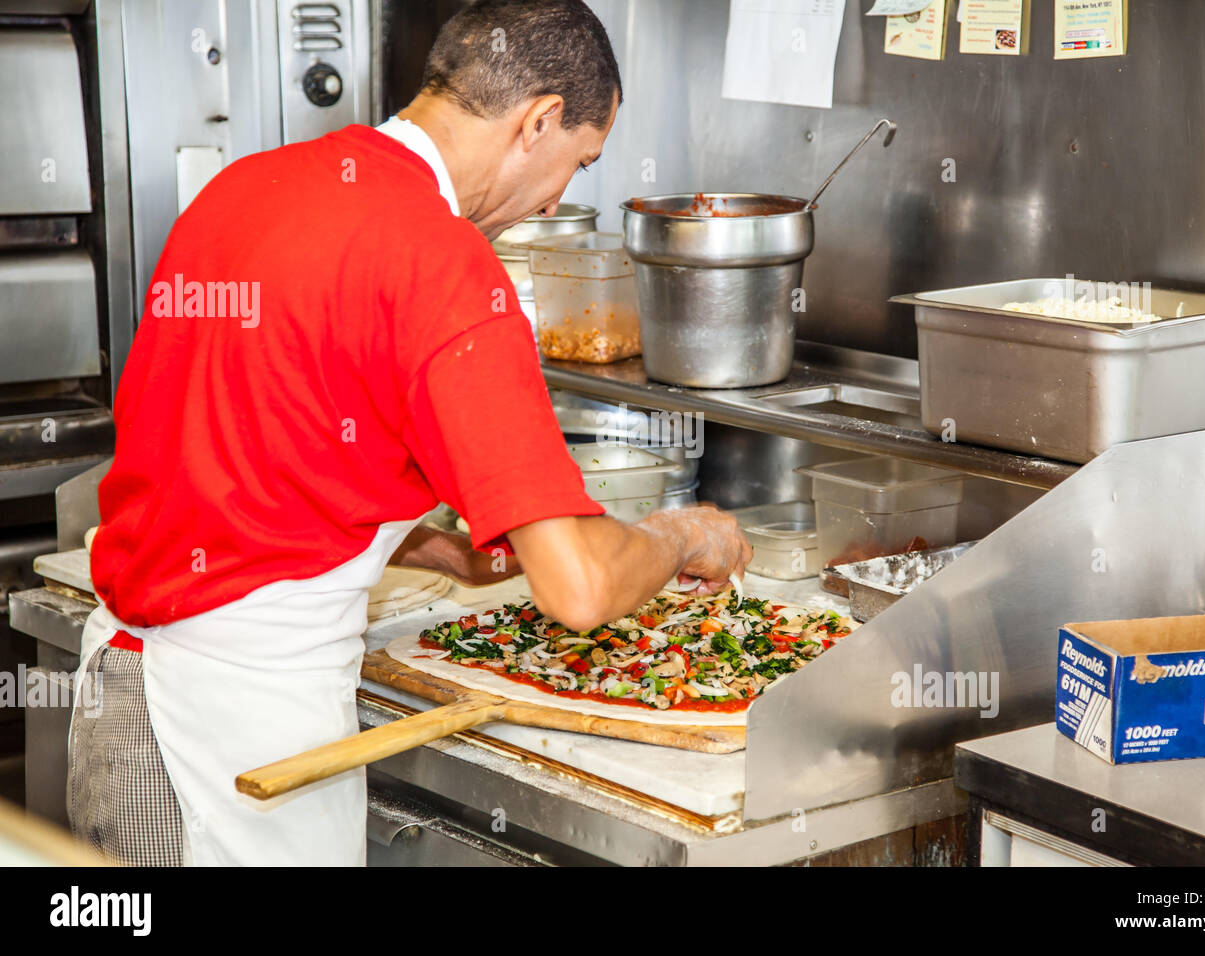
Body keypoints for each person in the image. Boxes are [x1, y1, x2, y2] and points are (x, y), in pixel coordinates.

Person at [67, 0, 750, 866]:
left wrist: (425, 548)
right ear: (537, 120)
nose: (554, 202)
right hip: (228, 745)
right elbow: (577, 589)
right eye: (578, 163)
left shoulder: (248, 185)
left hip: (120, 701)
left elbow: (246, 456)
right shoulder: (445, 264)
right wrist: (681, 532)